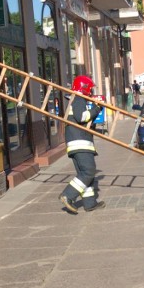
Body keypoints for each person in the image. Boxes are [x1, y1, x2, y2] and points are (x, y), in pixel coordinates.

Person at [59, 75, 106, 214]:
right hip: (80, 142)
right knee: (89, 171)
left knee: (86, 174)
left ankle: (90, 203)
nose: (91, 93)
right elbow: (82, 118)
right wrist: (97, 108)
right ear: (84, 88)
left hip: (77, 142)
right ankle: (68, 195)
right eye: (90, 89)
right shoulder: (78, 99)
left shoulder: (76, 100)